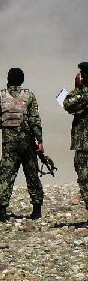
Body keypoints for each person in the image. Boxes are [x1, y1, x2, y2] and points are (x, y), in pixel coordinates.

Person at [0, 68, 43, 221]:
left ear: (8, 79)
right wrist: (40, 141)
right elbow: (35, 120)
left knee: (6, 176)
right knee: (32, 175)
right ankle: (36, 210)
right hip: (27, 142)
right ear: (22, 80)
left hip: (9, 144)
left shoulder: (0, 95)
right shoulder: (29, 96)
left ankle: (1, 210)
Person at [63, 61, 88, 213]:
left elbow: (67, 104)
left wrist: (77, 87)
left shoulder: (83, 93)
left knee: (84, 177)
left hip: (84, 144)